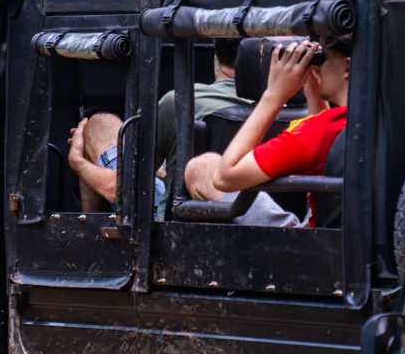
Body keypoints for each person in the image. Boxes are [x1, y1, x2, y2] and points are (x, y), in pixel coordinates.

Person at [184, 36, 349, 227]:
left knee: (203, 167)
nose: (319, 65)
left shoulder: (320, 129)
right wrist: (314, 94)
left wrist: (274, 95)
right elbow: (327, 154)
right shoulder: (368, 122)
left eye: (324, 58)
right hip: (352, 236)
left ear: (347, 67)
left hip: (312, 242)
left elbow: (224, 177)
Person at [66, 39, 243, 213]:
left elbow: (120, 189)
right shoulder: (260, 112)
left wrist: (77, 162)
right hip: (248, 210)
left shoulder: (181, 101)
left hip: (175, 221)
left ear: (216, 56)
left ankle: (89, 231)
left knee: (98, 125)